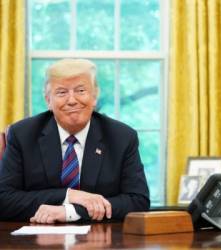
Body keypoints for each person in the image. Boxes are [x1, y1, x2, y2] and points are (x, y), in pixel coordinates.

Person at [0, 58, 150, 223]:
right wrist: (69, 195)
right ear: (48, 100)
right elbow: (4, 200)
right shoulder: (22, 135)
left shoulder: (122, 137)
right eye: (62, 92)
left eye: (80, 91)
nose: (72, 100)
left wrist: (70, 211)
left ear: (94, 96)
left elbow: (138, 201)